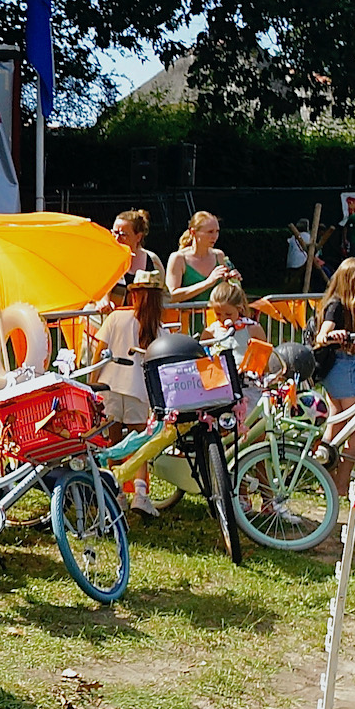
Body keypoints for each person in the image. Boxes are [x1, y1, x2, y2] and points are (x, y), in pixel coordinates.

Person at [93, 269, 165, 514]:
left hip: (110, 387)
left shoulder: (116, 318)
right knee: (139, 443)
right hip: (138, 390)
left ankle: (116, 493)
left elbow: (99, 353)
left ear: (134, 295)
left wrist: (92, 382)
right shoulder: (159, 329)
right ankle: (141, 493)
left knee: (112, 443)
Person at [312, 258, 355, 495]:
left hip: (345, 366)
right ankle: (341, 482)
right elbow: (322, 336)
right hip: (342, 367)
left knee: (337, 421)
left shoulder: (349, 305)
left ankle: (326, 479)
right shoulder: (336, 306)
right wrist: (333, 335)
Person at [164, 211, 238, 304]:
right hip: (188, 313)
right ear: (193, 232)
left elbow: (223, 293)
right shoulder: (178, 258)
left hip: (216, 313)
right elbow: (171, 296)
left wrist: (231, 281)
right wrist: (208, 282)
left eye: (217, 231)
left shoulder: (219, 255)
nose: (215, 236)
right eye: (210, 232)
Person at [201, 281, 267, 361]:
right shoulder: (211, 332)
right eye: (218, 314)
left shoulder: (253, 329)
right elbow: (202, 357)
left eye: (228, 314)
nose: (223, 318)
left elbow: (264, 359)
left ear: (239, 309)